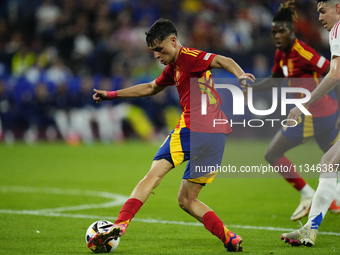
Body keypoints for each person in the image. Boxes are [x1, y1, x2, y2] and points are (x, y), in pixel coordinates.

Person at [87, 18, 255, 253]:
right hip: (217, 135)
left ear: (173, 41)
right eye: (153, 51)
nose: (156, 55)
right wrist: (112, 95)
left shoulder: (190, 57)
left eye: (159, 49)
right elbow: (150, 87)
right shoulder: (173, 68)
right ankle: (230, 238)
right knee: (187, 200)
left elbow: (222, 60)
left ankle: (121, 223)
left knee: (153, 175)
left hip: (193, 128)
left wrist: (240, 76)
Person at [246, 0, 340, 221]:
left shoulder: (303, 52)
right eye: (274, 32)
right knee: (332, 162)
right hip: (321, 114)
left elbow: (333, 72)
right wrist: (251, 85)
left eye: (282, 31)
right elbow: (274, 80)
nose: (277, 36)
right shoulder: (282, 55)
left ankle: (308, 195)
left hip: (314, 115)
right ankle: (332, 200)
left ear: (291, 31)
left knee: (272, 153)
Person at [281, 0, 340, 247]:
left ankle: (310, 229)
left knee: (329, 162)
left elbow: (335, 74)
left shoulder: (338, 30)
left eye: (322, 10)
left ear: (338, 8)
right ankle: (310, 229)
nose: (319, 18)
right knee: (329, 162)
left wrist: (302, 105)